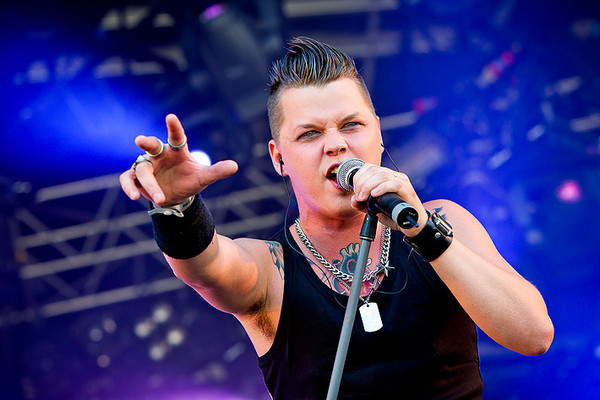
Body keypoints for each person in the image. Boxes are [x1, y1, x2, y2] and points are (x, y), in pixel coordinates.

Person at [119, 36, 553, 399]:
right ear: (279, 158)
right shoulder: (270, 270)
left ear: (378, 134)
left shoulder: (442, 222)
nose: (335, 144)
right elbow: (207, 267)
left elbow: (533, 335)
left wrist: (424, 231)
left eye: (351, 125)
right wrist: (176, 209)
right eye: (310, 133)